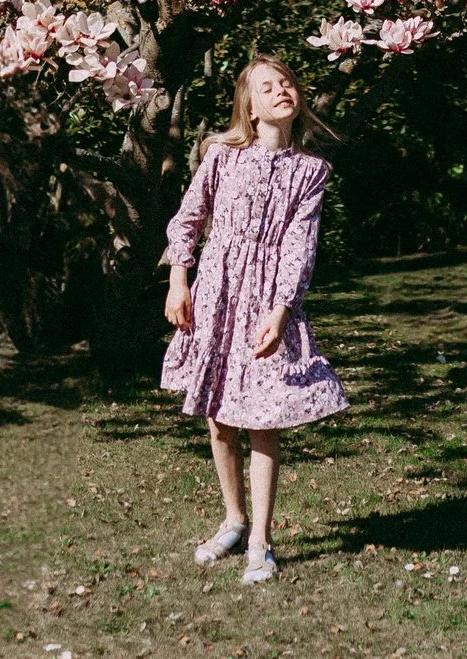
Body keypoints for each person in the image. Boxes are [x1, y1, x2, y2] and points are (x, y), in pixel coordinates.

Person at [161, 55, 348, 584]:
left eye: (287, 82)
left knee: (265, 419)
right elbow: (189, 218)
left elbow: (299, 246)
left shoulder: (311, 171)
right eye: (267, 87)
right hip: (215, 294)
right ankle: (234, 520)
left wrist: (282, 310)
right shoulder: (221, 155)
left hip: (267, 302)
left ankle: (261, 543)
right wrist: (179, 282)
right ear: (250, 104)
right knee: (219, 414)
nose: (281, 91)